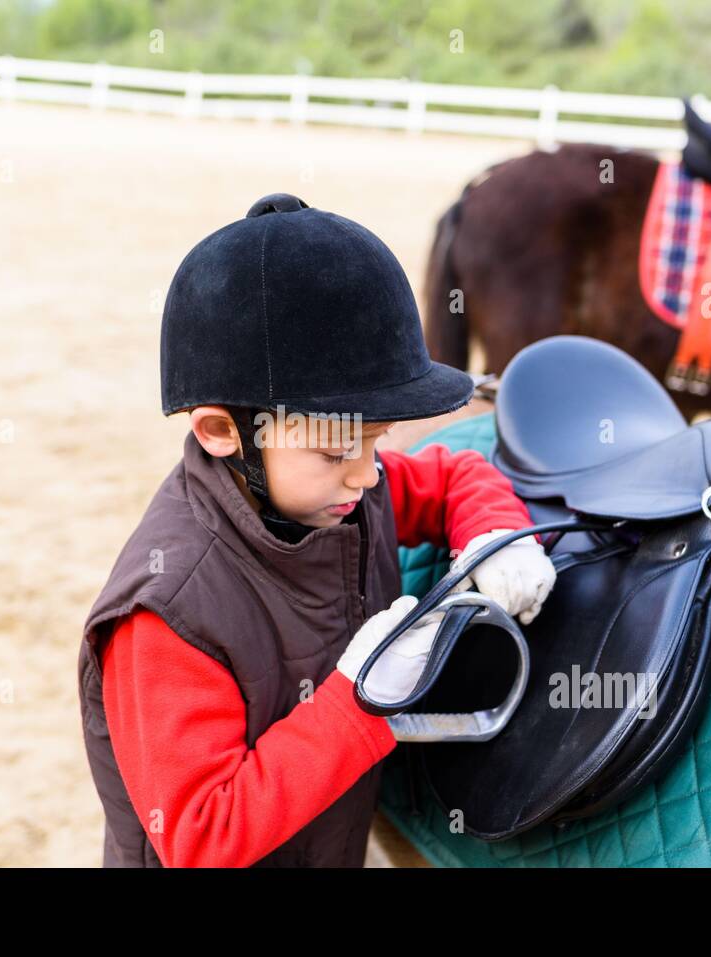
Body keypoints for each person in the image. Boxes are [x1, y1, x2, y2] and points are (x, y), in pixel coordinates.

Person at [78, 193, 557, 867]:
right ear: (222, 431)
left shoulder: (340, 488)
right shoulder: (168, 613)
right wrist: (359, 698)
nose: (367, 475)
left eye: (376, 441)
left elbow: (455, 474)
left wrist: (494, 533)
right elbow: (202, 836)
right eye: (337, 452)